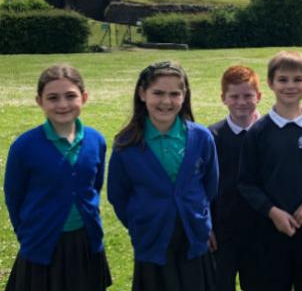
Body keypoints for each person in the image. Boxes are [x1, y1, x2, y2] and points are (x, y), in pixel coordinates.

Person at [107, 61, 218, 291]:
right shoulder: (126, 145)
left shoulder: (201, 137)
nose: (166, 101)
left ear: (184, 96)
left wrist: (198, 217)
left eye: (174, 94)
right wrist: (141, 222)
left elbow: (210, 185)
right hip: (152, 240)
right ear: (142, 94)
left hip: (193, 237)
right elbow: (118, 195)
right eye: (158, 93)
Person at [238, 51, 302, 291]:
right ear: (270, 83)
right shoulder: (258, 132)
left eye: (297, 79)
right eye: (283, 79)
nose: (290, 86)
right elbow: (246, 182)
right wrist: (272, 212)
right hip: (270, 228)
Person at [4, 65, 112, 291]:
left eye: (70, 96)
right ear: (40, 101)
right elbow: (14, 197)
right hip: (42, 242)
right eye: (53, 98)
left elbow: (94, 186)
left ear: (84, 97)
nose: (62, 105)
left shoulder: (96, 141)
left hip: (85, 240)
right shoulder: (24, 146)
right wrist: (27, 234)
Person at [209, 66, 262, 291]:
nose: (241, 102)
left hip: (261, 230)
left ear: (259, 96)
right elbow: (202, 186)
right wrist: (207, 226)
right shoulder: (212, 137)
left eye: (248, 96)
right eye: (234, 96)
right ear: (223, 98)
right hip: (223, 231)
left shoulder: (268, 134)